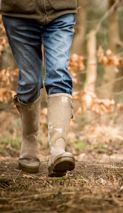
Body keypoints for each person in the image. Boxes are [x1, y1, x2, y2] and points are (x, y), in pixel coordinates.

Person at [0, 0, 78, 177]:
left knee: (58, 73)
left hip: (61, 11)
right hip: (19, 14)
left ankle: (58, 149)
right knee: (29, 82)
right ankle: (29, 141)